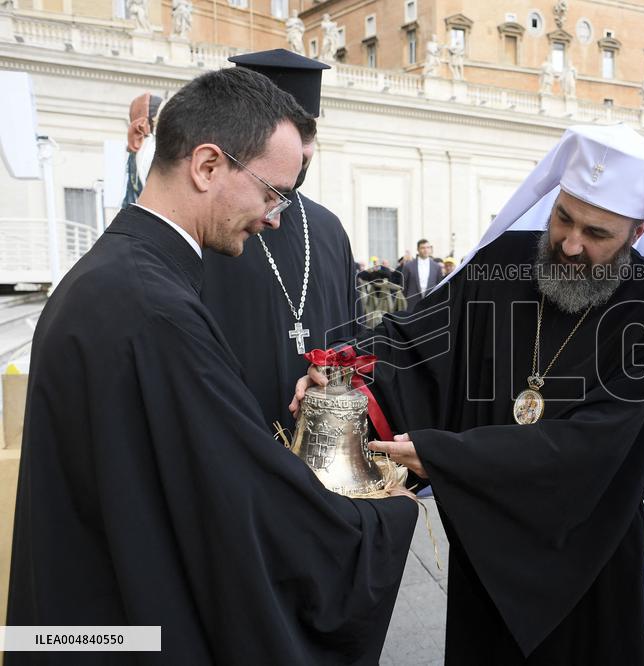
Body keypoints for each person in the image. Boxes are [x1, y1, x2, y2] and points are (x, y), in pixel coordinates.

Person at [7, 67, 416, 664]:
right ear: (206, 166)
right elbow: (238, 502)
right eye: (271, 193)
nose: (275, 217)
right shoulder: (158, 311)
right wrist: (383, 520)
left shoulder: (108, 277)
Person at [295, 124, 644, 664]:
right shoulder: (504, 260)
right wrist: (345, 371)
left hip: (590, 552)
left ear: (637, 230)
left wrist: (448, 457)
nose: (570, 244)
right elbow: (415, 342)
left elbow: (597, 441)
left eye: (597, 233)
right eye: (563, 218)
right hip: (489, 543)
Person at [202, 49, 359, 438]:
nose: (301, 152)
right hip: (233, 441)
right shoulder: (210, 229)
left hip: (322, 448)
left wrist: (332, 370)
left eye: (308, 134)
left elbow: (351, 336)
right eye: (287, 134)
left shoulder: (329, 229)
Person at [400, 238, 443, 308]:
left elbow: (439, 284)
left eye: (428, 247)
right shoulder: (408, 266)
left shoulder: (437, 267)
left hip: (431, 302)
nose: (426, 250)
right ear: (418, 249)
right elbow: (403, 285)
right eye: (423, 248)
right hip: (412, 303)